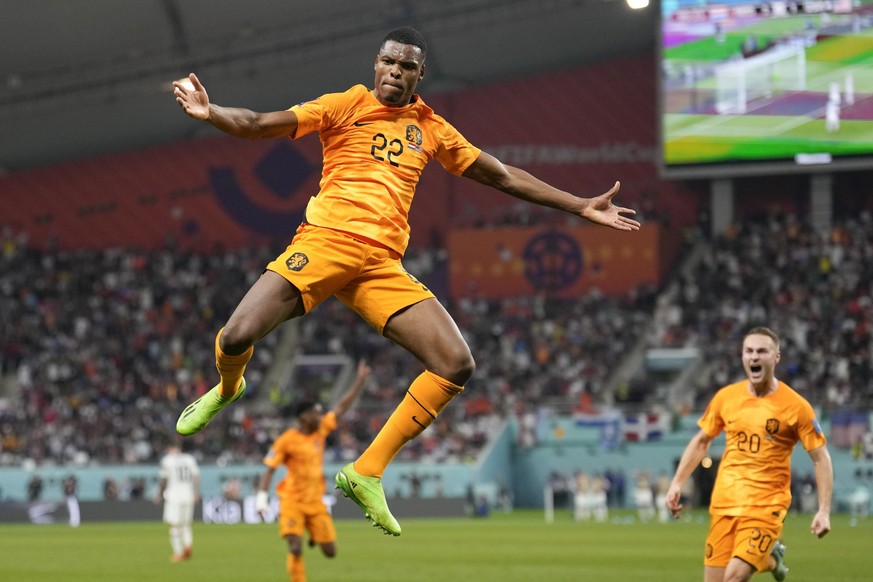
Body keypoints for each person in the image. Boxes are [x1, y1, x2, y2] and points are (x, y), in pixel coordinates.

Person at [172, 26, 639, 536]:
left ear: (420, 74)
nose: (395, 71)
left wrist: (578, 205)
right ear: (376, 64)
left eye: (407, 66)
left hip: (380, 266)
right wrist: (212, 113)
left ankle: (366, 472)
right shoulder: (345, 104)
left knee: (456, 362)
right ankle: (227, 387)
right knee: (236, 336)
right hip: (324, 243)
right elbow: (261, 123)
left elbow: (502, 175)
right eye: (389, 62)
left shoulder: (432, 129)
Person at [665, 327, 833, 582]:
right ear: (742, 356)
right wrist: (677, 482)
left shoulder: (796, 407)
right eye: (749, 351)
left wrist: (823, 510)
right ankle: (772, 558)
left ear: (776, 357)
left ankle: (769, 556)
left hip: (765, 507)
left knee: (733, 577)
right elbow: (701, 441)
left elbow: (821, 458)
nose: (754, 357)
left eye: (762, 351)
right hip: (724, 504)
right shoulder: (726, 398)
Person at [255, 360, 371, 582]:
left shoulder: (320, 432)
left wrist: (360, 381)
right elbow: (269, 469)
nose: (321, 416)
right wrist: (261, 499)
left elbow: (340, 408)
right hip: (292, 501)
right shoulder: (287, 440)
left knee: (330, 552)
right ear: (303, 417)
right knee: (295, 547)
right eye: (316, 413)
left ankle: (312, 533)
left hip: (316, 502)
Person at [157, 443, 201, 563]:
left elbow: (164, 480)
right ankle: (188, 544)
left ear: (170, 449)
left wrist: (159, 495)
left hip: (174, 497)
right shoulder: (189, 459)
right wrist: (196, 493)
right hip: (188, 495)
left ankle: (178, 553)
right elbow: (196, 476)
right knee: (186, 524)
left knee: (174, 526)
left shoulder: (167, 460)